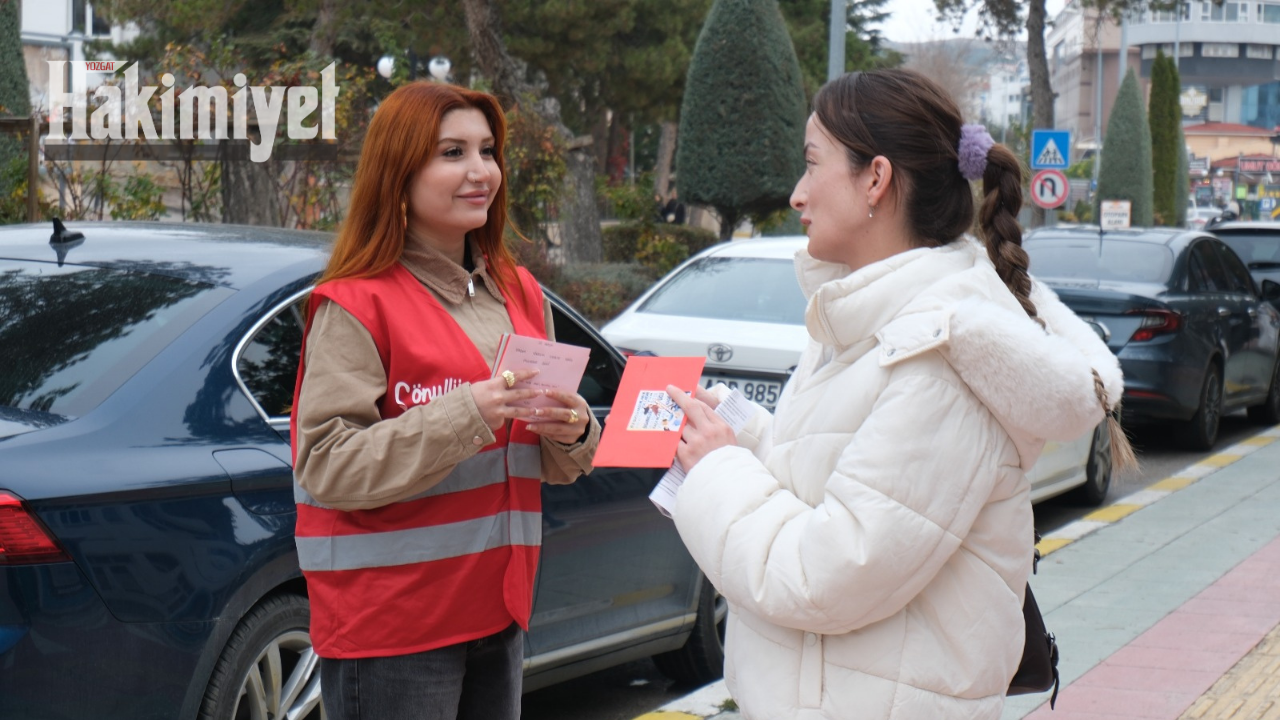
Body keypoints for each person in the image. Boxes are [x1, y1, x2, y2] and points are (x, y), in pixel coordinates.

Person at [664, 68, 1132, 720]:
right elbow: (841, 478)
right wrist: (738, 435)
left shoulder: (939, 355)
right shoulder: (875, 321)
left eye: (812, 164)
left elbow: (828, 572)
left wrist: (716, 475)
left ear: (876, 180)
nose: (797, 194)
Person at [290, 81, 600, 720]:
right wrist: (468, 415)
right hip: (393, 628)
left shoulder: (520, 292)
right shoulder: (358, 302)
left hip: (499, 612)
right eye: (452, 153)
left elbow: (551, 461)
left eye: (488, 151)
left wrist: (572, 430)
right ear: (399, 174)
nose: (481, 171)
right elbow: (324, 464)